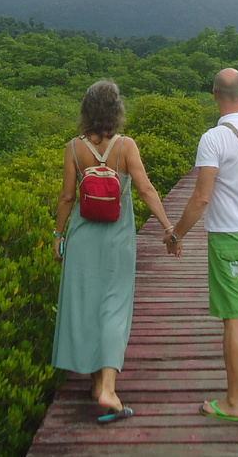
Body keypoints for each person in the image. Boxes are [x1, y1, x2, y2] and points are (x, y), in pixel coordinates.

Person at [51, 79, 175, 424]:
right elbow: (147, 189)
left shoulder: (74, 148)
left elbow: (66, 198)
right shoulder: (126, 146)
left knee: (86, 305)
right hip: (117, 240)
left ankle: (95, 385)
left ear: (86, 111)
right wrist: (168, 228)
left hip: (83, 239)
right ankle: (107, 388)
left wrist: (58, 235)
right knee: (113, 309)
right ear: (117, 110)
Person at [165, 67, 238, 422]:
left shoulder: (212, 139)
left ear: (214, 94)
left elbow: (201, 198)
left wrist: (176, 235)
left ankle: (234, 402)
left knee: (233, 318)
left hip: (227, 238)